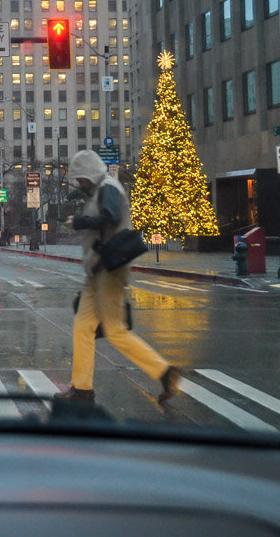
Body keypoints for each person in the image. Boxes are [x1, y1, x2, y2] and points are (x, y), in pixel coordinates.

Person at [55, 149, 179, 405]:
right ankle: (82, 389)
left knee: (115, 330)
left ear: (90, 172)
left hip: (109, 269)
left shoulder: (108, 188)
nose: (80, 184)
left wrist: (79, 222)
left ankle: (164, 372)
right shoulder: (102, 189)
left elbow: (112, 217)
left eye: (81, 178)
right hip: (98, 270)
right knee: (83, 326)